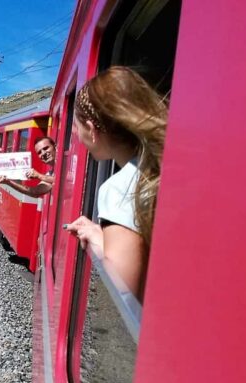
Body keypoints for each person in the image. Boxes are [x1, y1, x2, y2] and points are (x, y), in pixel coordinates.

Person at [64, 66, 167, 302]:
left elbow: (124, 296)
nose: (77, 135)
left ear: (91, 129)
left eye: (77, 127)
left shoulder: (119, 188)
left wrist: (99, 240)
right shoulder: (160, 168)